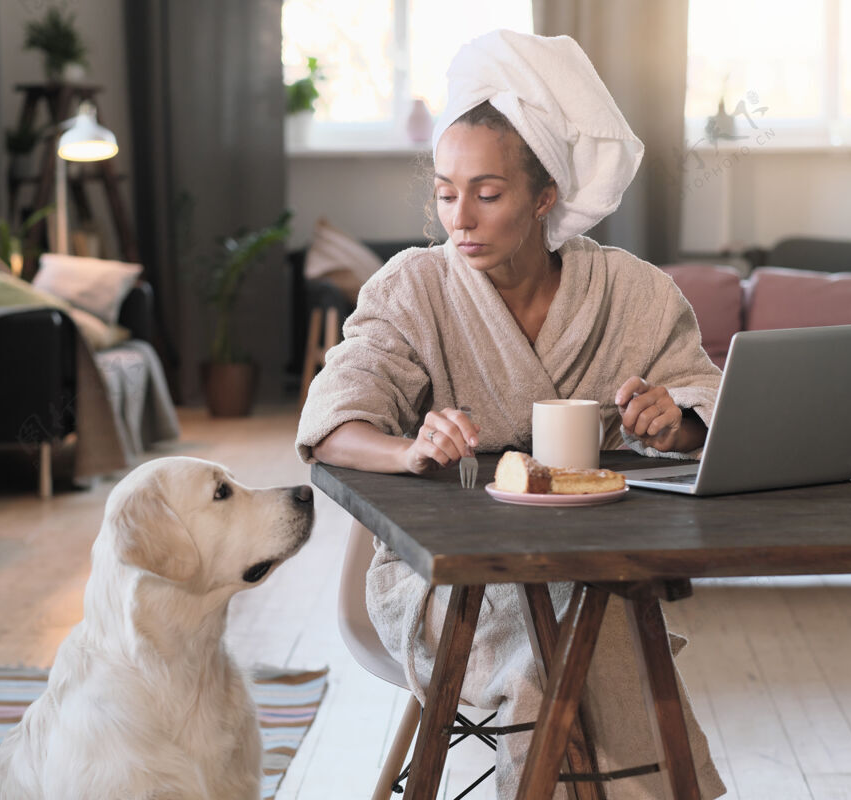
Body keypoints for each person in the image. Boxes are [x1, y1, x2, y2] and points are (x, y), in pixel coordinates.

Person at [296, 29, 726, 800]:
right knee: (578, 638)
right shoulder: (413, 289)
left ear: (543, 197)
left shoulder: (631, 294)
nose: (459, 217)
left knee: (584, 619)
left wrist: (678, 422)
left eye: (487, 194)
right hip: (445, 581)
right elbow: (333, 420)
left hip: (595, 569)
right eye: (444, 190)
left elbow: (708, 400)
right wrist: (409, 450)